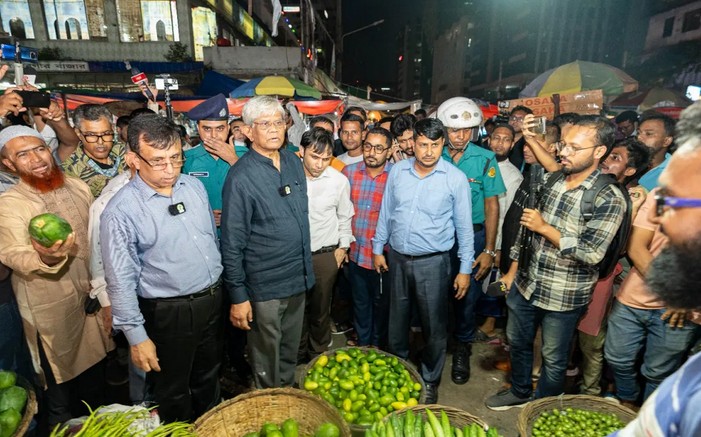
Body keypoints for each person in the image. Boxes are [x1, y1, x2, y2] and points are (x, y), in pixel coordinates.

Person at [485, 115, 627, 410]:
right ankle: (521, 390)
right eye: (563, 144)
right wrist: (533, 138)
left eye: (575, 148)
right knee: (519, 342)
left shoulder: (608, 197)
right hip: (527, 283)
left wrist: (545, 228)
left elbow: (591, 253)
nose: (563, 152)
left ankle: (541, 407)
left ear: (599, 152)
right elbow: (549, 170)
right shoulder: (555, 178)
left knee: (553, 357)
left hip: (563, 295)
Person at [101, 114, 224, 422]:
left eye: (176, 158)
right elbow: (120, 281)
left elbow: (211, 240)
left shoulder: (193, 187)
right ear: (133, 158)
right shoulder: (121, 211)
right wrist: (136, 337)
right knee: (173, 388)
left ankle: (212, 425)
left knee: (209, 375)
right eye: (158, 161)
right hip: (170, 312)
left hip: (212, 299)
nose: (170, 170)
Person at [0, 126, 112, 428]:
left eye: (39, 149)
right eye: (22, 155)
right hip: (51, 312)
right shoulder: (11, 203)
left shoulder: (76, 186)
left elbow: (97, 240)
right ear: (9, 165)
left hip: (90, 301)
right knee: (61, 396)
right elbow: (11, 253)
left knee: (97, 386)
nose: (37, 159)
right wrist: (45, 256)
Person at [609, 101, 701, 437]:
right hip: (636, 298)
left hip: (683, 313)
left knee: (658, 372)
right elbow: (636, 246)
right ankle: (628, 404)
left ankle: (649, 419)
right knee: (617, 358)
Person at [372, 117, 474, 404]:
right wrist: (378, 247)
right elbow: (386, 211)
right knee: (396, 324)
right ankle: (398, 374)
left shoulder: (454, 179)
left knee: (434, 327)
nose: (428, 151)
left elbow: (465, 229)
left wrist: (464, 269)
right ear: (411, 143)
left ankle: (430, 380)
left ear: (443, 144)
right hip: (398, 259)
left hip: (434, 263)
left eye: (435, 145)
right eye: (423, 144)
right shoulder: (398, 172)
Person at [220, 96, 314, 389]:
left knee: (290, 349)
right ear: (248, 131)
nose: (274, 129)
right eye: (265, 124)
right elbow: (232, 243)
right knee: (265, 353)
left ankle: (287, 395)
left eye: (278, 122)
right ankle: (270, 403)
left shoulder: (292, 161)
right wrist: (238, 296)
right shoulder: (241, 177)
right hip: (265, 285)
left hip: (297, 277)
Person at [436, 97, 506, 385]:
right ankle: (437, 346)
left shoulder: (484, 158)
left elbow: (492, 205)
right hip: (438, 235)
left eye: (467, 130)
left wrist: (489, 249)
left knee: (468, 294)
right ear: (443, 130)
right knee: (436, 294)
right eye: (454, 130)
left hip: (474, 236)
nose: (461, 136)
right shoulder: (432, 153)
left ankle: (463, 346)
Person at [297, 127, 354, 361]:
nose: (320, 164)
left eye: (326, 158)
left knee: (321, 309)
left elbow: (345, 216)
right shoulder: (289, 177)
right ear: (301, 151)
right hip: (293, 254)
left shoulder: (338, 181)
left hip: (325, 255)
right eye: (314, 156)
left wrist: (342, 248)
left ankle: (317, 354)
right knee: (296, 310)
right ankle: (296, 353)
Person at [343, 127, 393, 348]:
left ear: (389, 151)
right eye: (368, 146)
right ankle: (364, 349)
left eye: (379, 148)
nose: (372, 152)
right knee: (360, 305)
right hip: (355, 254)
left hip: (384, 257)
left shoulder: (397, 176)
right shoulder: (349, 173)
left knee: (383, 307)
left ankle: (379, 349)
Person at [480, 123, 523, 340]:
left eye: (506, 139)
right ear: (489, 138)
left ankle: (489, 323)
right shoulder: (480, 162)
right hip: (478, 232)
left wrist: (497, 247)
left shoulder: (513, 175)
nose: (500, 143)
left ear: (512, 144)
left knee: (493, 281)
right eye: (497, 137)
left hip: (496, 237)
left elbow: (507, 216)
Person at [183, 94, 240, 229]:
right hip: (201, 234)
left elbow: (258, 190)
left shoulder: (244, 157)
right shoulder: (186, 159)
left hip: (238, 234)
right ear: (198, 129)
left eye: (220, 128)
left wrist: (233, 160)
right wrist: (202, 214)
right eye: (207, 129)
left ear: (228, 128)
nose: (214, 136)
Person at [62, 104, 127, 198]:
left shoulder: (125, 151)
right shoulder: (71, 172)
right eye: (91, 135)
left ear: (112, 128)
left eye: (106, 133)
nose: (100, 142)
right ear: (78, 133)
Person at [637, 111, 675, 190]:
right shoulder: (630, 161)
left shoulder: (674, 172)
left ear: (666, 141)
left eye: (648, 134)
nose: (639, 138)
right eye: (638, 133)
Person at [506, 105, 534, 172]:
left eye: (520, 119)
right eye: (513, 118)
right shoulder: (502, 140)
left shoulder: (530, 143)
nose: (515, 121)